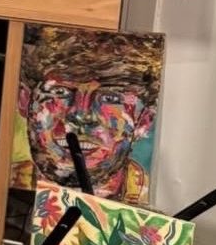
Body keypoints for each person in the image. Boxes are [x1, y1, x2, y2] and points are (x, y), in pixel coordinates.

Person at [13, 28, 162, 203]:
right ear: (24, 100)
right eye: (59, 92)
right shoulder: (2, 185)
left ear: (144, 120)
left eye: (110, 98)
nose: (81, 116)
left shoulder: (157, 203)